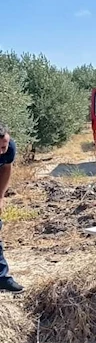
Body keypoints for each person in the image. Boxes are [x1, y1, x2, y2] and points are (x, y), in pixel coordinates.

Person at [0, 125, 23, 293]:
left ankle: (2, 278)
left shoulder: (9, 148)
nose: (2, 151)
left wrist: (0, 196)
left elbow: (7, 168)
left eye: (4, 146)